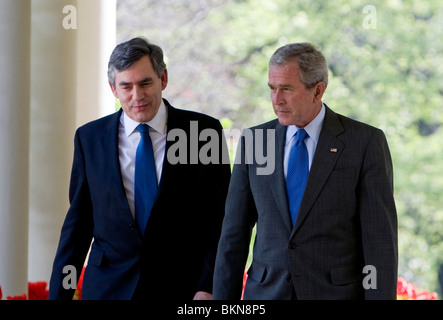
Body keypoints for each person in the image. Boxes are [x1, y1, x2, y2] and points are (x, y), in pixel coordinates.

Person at [49, 37, 231, 300]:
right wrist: (59, 295)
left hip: (182, 289)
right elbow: (77, 227)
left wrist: (207, 286)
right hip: (108, 289)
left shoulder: (202, 133)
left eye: (145, 83)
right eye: (126, 86)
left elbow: (220, 220)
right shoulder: (90, 138)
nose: (137, 96)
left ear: (163, 78)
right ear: (113, 89)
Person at [213, 43, 398, 300]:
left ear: (318, 90)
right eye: (272, 89)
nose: (277, 99)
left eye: (287, 89)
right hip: (265, 295)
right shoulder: (255, 141)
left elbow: (379, 244)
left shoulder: (364, 143)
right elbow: (233, 236)